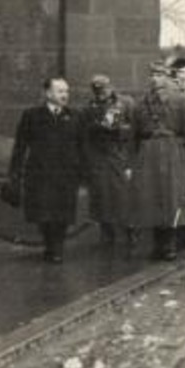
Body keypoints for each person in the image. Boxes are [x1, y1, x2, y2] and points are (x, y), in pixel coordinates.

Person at [5, 76, 85, 264]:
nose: (65, 95)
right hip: (40, 174)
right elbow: (20, 147)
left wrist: (83, 175)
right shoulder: (32, 116)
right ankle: (51, 244)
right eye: (60, 91)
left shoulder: (75, 117)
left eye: (66, 91)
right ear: (48, 93)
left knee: (62, 213)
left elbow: (82, 147)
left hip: (66, 175)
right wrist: (14, 174)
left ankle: (56, 248)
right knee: (44, 213)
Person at [130, 63, 185, 261]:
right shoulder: (141, 104)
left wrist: (178, 147)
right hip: (148, 154)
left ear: (168, 77)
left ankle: (170, 244)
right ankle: (157, 244)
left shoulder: (181, 101)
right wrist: (132, 161)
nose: (155, 78)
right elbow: (135, 133)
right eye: (152, 74)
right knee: (151, 197)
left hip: (172, 152)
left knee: (172, 197)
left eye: (160, 74)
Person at [79, 73, 136, 251]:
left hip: (120, 156)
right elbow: (85, 134)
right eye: (97, 90)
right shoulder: (90, 107)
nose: (100, 93)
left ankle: (130, 232)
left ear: (111, 86)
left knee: (123, 196)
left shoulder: (125, 103)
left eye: (103, 89)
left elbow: (135, 129)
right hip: (99, 157)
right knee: (101, 196)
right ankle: (107, 234)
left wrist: (121, 129)